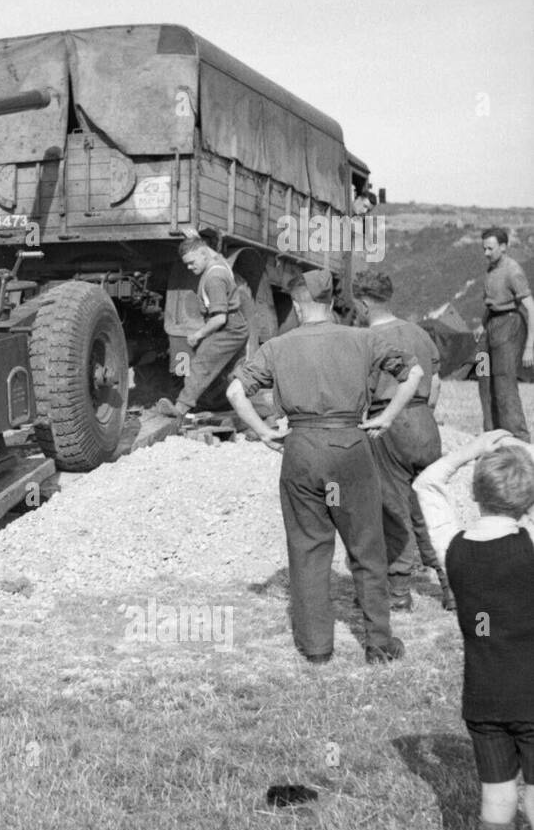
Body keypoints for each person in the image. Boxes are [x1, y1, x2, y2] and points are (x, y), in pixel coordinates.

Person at [226, 268, 424, 665]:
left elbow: (234, 390)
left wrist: (265, 432)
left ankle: (316, 648)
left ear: (298, 307)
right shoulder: (364, 338)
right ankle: (380, 644)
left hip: (300, 449)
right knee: (367, 547)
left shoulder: (278, 346)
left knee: (308, 548)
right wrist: (386, 419)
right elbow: (414, 372)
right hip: (350, 446)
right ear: (332, 305)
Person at [414, 431, 534, 830]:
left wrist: (474, 448)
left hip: (482, 697)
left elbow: (426, 483)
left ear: (475, 494)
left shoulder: (453, 548)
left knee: (497, 796)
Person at [352, 270, 452, 612]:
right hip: (426, 421)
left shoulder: (366, 339)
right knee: (429, 506)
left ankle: (398, 592)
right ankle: (450, 587)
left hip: (390, 422)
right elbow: (435, 383)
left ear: (364, 303)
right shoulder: (419, 333)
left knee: (393, 510)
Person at [156, 234, 250, 421]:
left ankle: (180, 409)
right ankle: (257, 412)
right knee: (234, 373)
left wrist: (197, 335)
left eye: (191, 262)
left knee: (201, 363)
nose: (190, 268)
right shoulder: (219, 263)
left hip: (228, 329)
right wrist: (197, 238)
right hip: (237, 326)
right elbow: (216, 254)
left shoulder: (214, 279)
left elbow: (219, 318)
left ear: (203, 253)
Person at [476, 227, 533, 442]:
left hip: (509, 326)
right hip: (490, 326)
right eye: (484, 249)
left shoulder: (513, 270)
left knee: (504, 384)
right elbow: (490, 303)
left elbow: (531, 307)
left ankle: (518, 438)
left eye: (490, 249)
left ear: (503, 247)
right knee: (484, 377)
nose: (486, 253)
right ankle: (492, 433)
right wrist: (482, 325)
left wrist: (530, 346)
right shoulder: (491, 269)